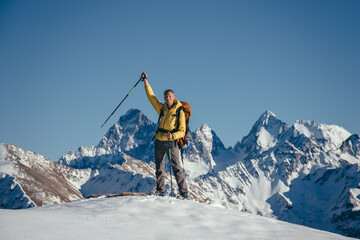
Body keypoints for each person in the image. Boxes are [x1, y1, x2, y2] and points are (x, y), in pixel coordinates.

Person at [142, 72, 189, 198]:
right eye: (165, 97)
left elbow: (182, 131)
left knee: (177, 168)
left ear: (173, 97)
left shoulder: (179, 111)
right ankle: (160, 191)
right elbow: (151, 97)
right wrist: (145, 81)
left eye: (169, 96)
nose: (167, 98)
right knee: (159, 168)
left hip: (172, 142)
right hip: (159, 141)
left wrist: (172, 136)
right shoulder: (162, 109)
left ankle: (184, 193)